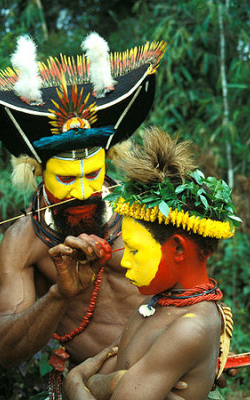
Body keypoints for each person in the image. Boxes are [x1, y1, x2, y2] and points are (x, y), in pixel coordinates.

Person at [0, 34, 191, 399]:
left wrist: (206, 350)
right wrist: (59, 295)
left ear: (106, 165)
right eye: (66, 178)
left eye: (91, 175)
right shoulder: (23, 241)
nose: (82, 191)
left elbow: (199, 283)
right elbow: (3, 351)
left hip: (172, 375)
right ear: (38, 172)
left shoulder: (147, 208)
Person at [62, 127, 239, 400]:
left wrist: (75, 382)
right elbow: (106, 371)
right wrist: (108, 383)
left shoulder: (191, 327)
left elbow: (91, 376)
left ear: (178, 248)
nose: (126, 263)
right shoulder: (155, 304)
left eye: (134, 250)